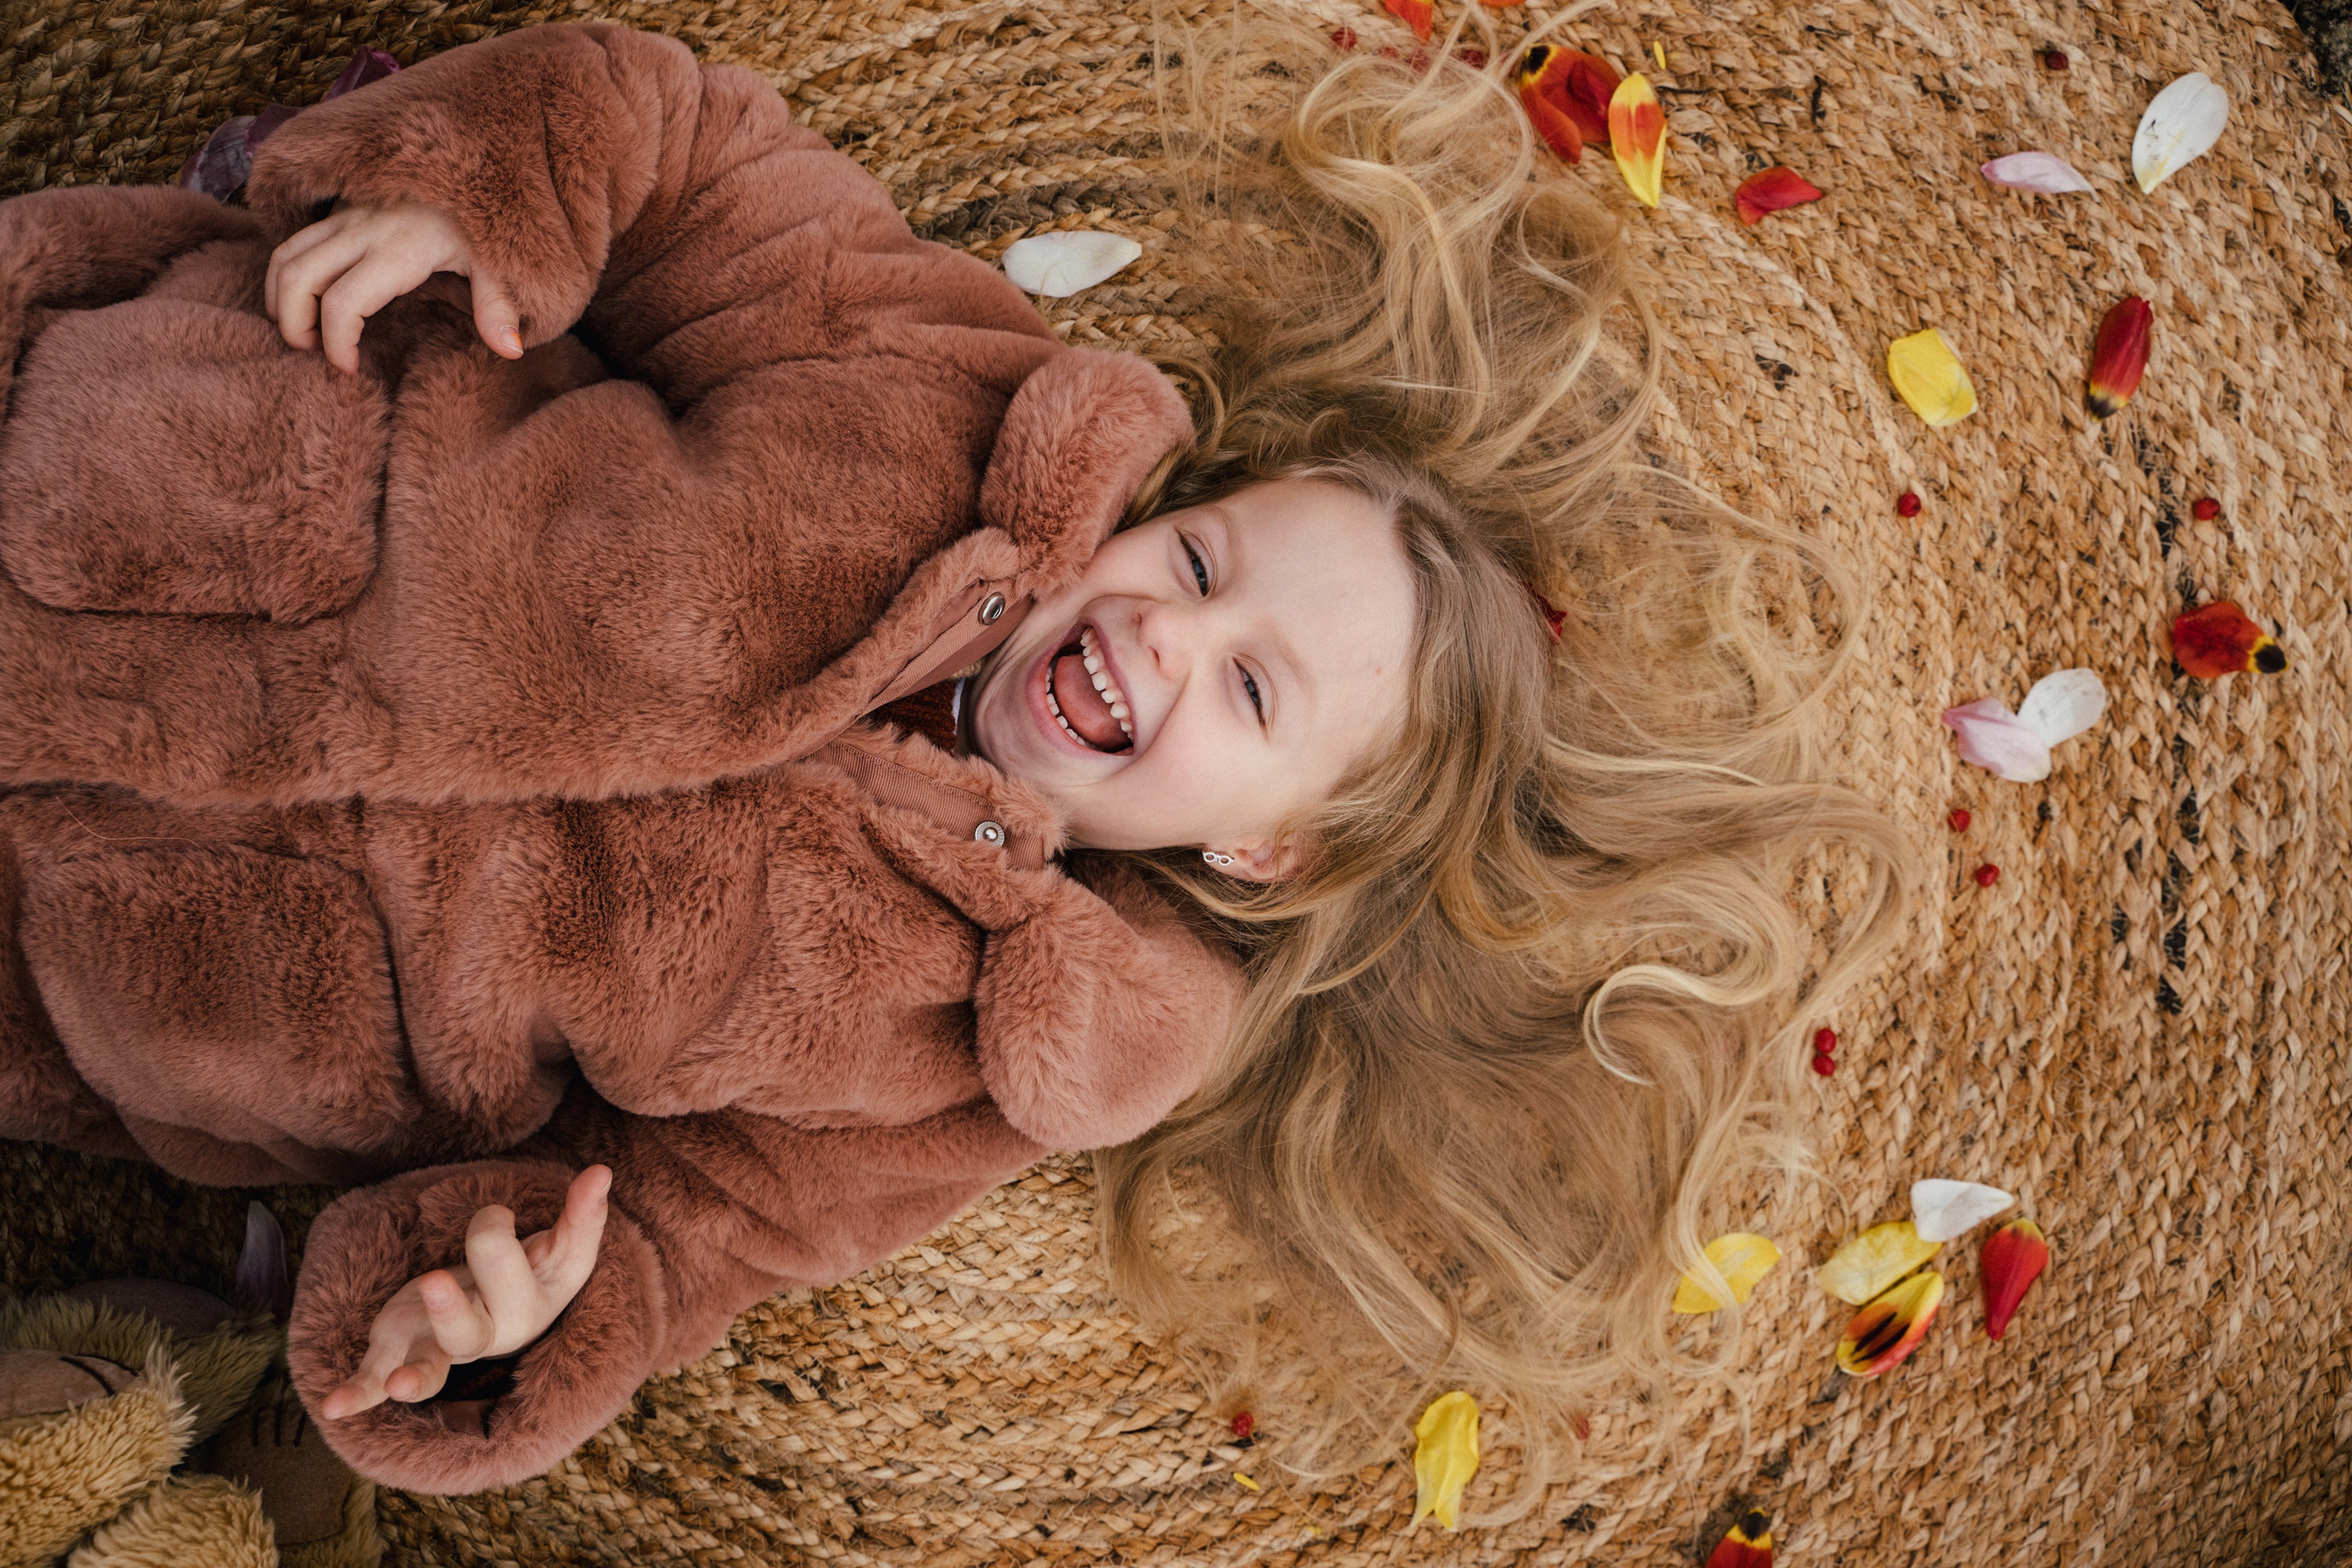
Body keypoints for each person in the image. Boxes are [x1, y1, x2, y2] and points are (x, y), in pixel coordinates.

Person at [0, 15, 1914, 1505]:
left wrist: (503, 1306)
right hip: (128, 458)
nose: (1166, 634)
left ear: (1264, 852)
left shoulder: (963, 1066)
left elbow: (675, 1239)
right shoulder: (940, 399)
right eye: (1200, 563)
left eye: (1251, 696)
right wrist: (496, 190)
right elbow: (688, 150)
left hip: (101, 971)